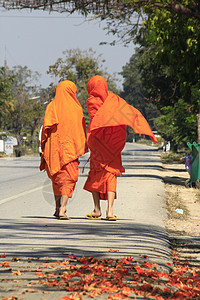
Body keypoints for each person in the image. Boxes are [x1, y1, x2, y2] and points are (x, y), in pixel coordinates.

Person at [84, 75, 158, 221]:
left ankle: (97, 209)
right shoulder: (114, 100)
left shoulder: (91, 101)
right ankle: (110, 211)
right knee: (111, 175)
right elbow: (125, 113)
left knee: (95, 175)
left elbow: (96, 120)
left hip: (99, 145)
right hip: (113, 146)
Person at [40, 80, 88, 219]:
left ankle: (56, 208)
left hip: (54, 148)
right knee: (68, 179)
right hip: (71, 150)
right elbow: (81, 131)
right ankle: (63, 209)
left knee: (57, 178)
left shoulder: (52, 106)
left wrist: (44, 146)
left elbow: (45, 129)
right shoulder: (77, 109)